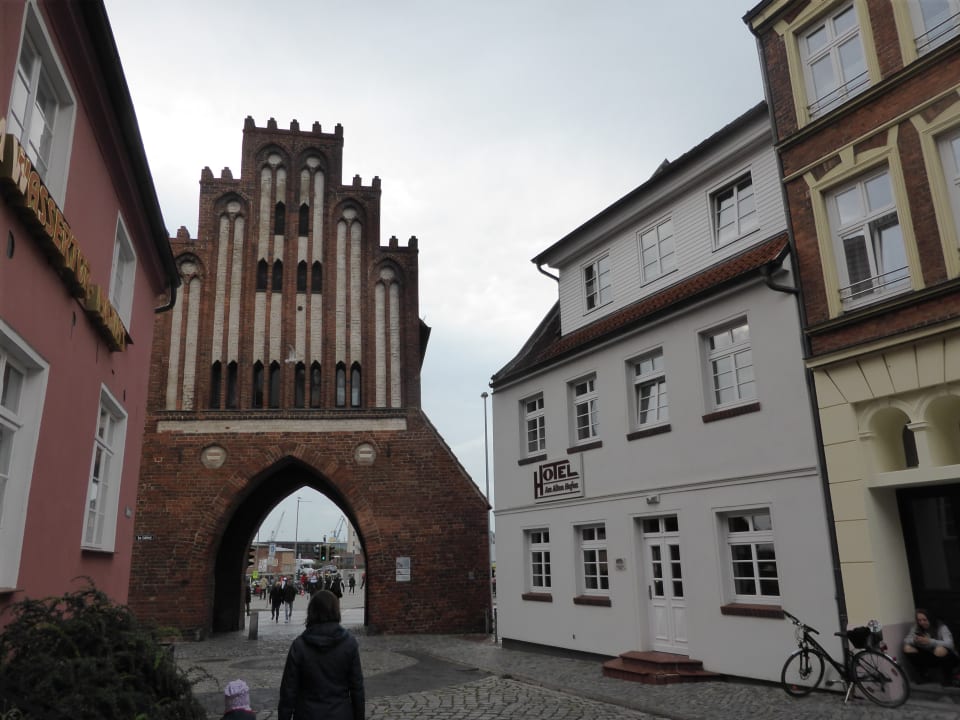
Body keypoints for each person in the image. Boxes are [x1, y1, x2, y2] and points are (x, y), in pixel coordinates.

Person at [278, 590, 365, 720]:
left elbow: (288, 690)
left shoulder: (299, 646)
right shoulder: (349, 644)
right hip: (340, 712)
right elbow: (357, 688)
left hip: (307, 713)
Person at [902, 608, 960, 686]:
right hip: (929, 656)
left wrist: (930, 641)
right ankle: (923, 675)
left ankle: (948, 677)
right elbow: (906, 640)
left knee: (939, 649)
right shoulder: (916, 627)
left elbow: (950, 644)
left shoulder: (941, 627)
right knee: (907, 648)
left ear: (930, 619)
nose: (922, 622)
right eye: (919, 620)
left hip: (949, 657)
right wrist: (915, 641)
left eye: (924, 620)